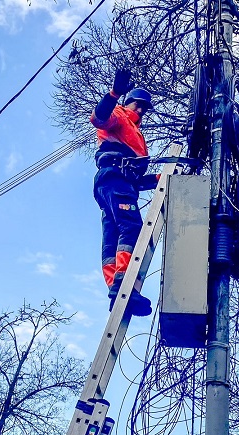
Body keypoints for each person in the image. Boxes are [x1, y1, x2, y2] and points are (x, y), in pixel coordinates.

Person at [90, 68, 157, 317]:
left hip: (116, 184)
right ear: (129, 102)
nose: (139, 111)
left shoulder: (136, 134)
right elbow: (98, 117)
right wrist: (114, 92)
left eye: (143, 109)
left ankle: (114, 291)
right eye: (137, 105)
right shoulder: (119, 116)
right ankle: (123, 286)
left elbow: (137, 178)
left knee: (113, 234)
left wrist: (164, 178)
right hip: (115, 181)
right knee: (132, 228)